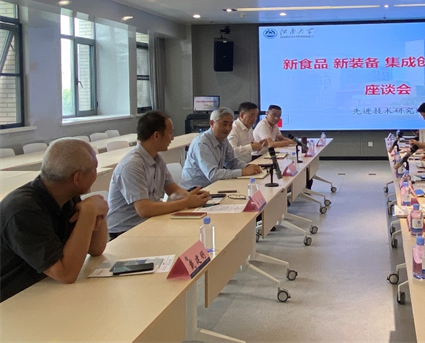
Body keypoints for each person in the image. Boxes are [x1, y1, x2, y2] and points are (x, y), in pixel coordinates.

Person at [0, 139, 108, 302]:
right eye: (94, 168)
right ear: (77, 177)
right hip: (12, 302)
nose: (96, 173)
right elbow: (66, 274)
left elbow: (96, 249)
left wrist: (96, 211)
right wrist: (88, 213)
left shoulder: (66, 195)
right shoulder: (24, 211)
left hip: (42, 290)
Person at [107, 111, 210, 239]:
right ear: (156, 136)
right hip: (126, 231)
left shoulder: (157, 159)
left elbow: (173, 190)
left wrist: (191, 196)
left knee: (190, 234)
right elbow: (144, 209)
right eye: (170, 133)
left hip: (148, 223)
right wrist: (186, 202)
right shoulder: (132, 165)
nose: (172, 138)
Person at [182, 107, 262, 189]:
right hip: (193, 190)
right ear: (212, 123)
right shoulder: (201, 143)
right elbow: (213, 175)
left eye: (230, 124)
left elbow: (232, 162)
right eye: (224, 124)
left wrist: (248, 167)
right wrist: (243, 172)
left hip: (212, 186)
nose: (227, 128)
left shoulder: (223, 139)